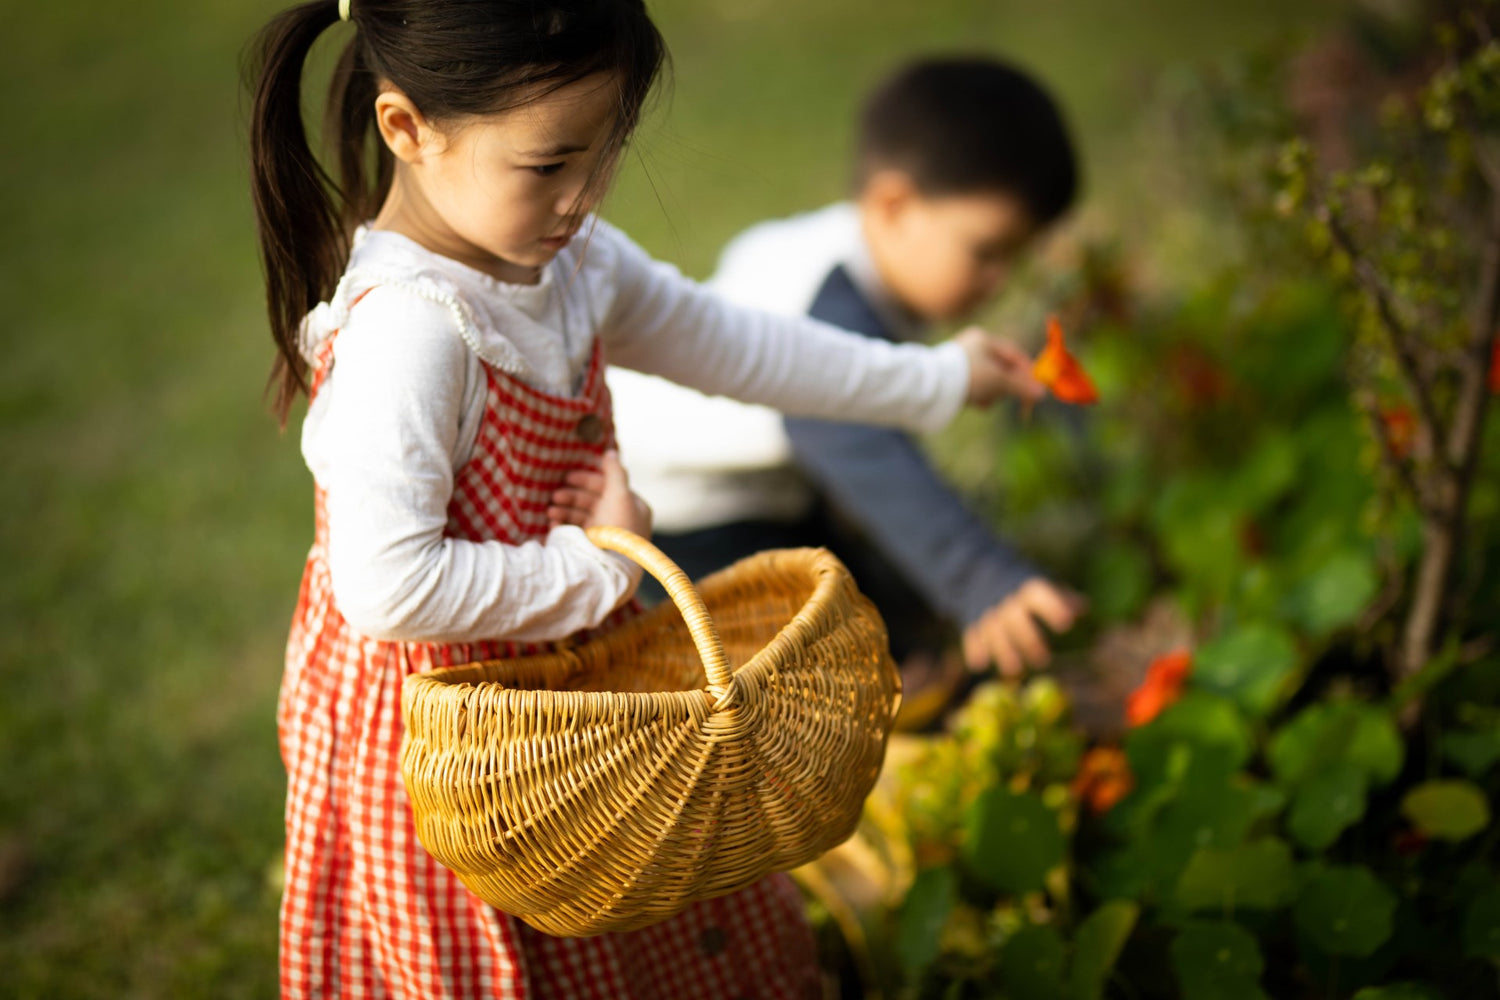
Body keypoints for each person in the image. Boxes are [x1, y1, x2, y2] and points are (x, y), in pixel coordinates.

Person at [246, 3, 1038, 997]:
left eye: (603, 154)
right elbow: (387, 585)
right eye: (548, 165)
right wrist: (599, 563)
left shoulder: (570, 263)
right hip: (449, 739)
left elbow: (746, 348)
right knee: (512, 949)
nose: (582, 199)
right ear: (409, 130)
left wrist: (937, 380)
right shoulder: (409, 333)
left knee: (630, 908)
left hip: (577, 679)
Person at [609, 56, 1087, 718]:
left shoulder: (831, 249)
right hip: (682, 518)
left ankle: (917, 669)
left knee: (877, 607)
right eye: (984, 252)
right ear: (894, 205)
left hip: (769, 491)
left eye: (1014, 258)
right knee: (812, 679)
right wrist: (982, 579)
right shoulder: (829, 300)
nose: (999, 281)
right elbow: (858, 444)